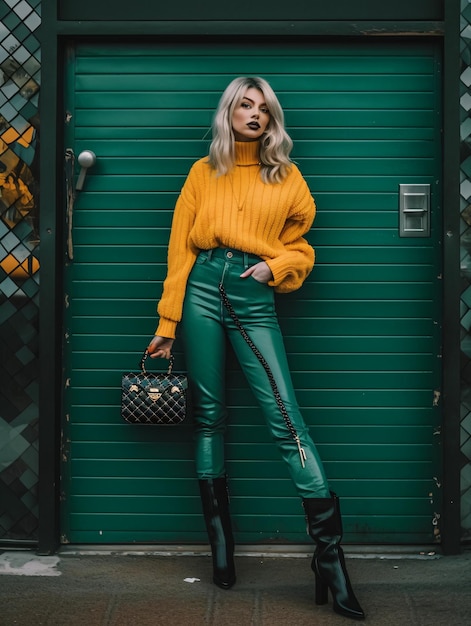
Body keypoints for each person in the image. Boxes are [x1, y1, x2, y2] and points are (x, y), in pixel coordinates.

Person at [147, 76, 365, 620]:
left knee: (286, 419)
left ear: (272, 121)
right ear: (229, 113)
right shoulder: (203, 172)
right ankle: (221, 548)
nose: (254, 114)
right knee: (208, 417)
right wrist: (167, 321)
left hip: (250, 291)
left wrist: (277, 266)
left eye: (263, 109)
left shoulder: (288, 179)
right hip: (199, 287)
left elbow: (303, 248)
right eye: (244, 105)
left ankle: (330, 558)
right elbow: (179, 249)